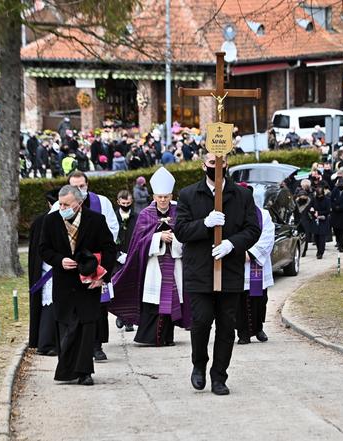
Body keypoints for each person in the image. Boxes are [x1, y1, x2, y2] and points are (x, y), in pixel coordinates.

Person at [174, 153, 261, 396]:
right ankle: (198, 364)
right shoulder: (189, 194)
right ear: (203, 165)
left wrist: (232, 243)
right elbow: (180, 230)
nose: (217, 167)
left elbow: (253, 229)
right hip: (200, 271)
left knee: (226, 326)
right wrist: (205, 224)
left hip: (229, 270)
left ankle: (219, 375)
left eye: (221, 163)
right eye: (212, 163)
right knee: (201, 322)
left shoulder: (242, 195)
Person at [39, 185, 116, 386]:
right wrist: (59, 260)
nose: (61, 207)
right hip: (63, 284)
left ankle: (84, 372)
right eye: (60, 203)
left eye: (66, 204)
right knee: (68, 327)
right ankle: (67, 370)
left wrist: (103, 277)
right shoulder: (51, 220)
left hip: (88, 282)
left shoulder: (96, 221)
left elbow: (109, 249)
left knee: (86, 327)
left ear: (79, 203)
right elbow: (43, 249)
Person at [111, 167, 190, 346]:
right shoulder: (146, 214)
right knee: (155, 302)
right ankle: (153, 337)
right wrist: (158, 237)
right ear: (153, 197)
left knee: (172, 300)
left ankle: (167, 337)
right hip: (154, 265)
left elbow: (186, 235)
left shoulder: (179, 212)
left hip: (174, 261)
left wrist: (175, 238)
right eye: (159, 196)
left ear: (171, 196)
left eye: (166, 196)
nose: (163, 200)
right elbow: (138, 243)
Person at [50, 171, 119, 361]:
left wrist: (96, 256)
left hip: (95, 263)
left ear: (87, 184)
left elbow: (112, 228)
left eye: (82, 185)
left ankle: (96, 345)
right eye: (75, 186)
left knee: (98, 308)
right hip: (70, 268)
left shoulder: (101, 202)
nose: (79, 189)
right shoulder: (59, 206)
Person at [236, 183, 275, 345]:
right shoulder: (231, 214)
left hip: (256, 263)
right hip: (237, 263)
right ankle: (243, 333)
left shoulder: (263, 215)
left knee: (258, 298)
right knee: (239, 301)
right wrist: (238, 252)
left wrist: (251, 254)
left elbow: (268, 236)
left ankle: (258, 328)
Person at [28, 189, 60, 356]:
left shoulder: (40, 221)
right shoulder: (43, 221)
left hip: (53, 268)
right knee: (49, 303)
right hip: (49, 270)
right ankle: (47, 342)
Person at [112, 190, 138, 332]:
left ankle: (129, 320)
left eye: (128, 203)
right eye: (123, 204)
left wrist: (132, 255)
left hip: (132, 257)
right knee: (118, 288)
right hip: (117, 259)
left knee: (131, 289)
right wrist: (117, 255)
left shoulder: (137, 218)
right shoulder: (112, 218)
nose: (126, 206)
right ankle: (120, 315)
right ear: (118, 202)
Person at [310, 183, 331, 259]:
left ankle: (320, 252)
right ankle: (318, 249)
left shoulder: (327, 200)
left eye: (320, 196)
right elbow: (311, 207)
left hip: (323, 220)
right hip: (315, 220)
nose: (319, 197)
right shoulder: (314, 199)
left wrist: (319, 213)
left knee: (322, 237)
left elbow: (328, 211)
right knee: (316, 237)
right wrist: (312, 211)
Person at [294, 179, 314, 257]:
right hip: (297, 221)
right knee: (298, 236)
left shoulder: (309, 201)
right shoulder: (295, 202)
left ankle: (304, 250)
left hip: (306, 221)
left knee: (306, 237)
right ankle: (299, 250)